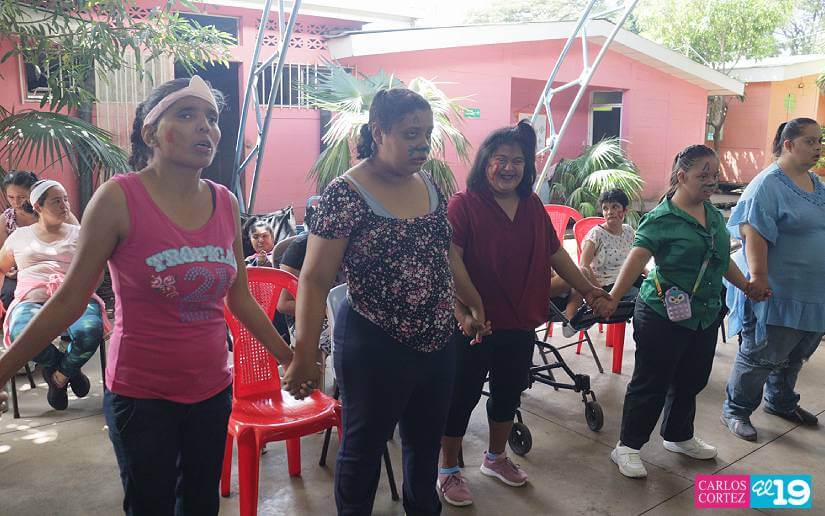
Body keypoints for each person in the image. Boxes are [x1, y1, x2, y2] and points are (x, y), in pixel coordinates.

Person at [0, 75, 293, 515]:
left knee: (200, 505)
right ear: (150, 132)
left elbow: (240, 299)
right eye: (187, 115)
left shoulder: (225, 202)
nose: (206, 127)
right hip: (142, 398)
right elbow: (70, 300)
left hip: (212, 391)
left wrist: (290, 357)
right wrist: (3, 369)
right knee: (150, 505)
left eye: (212, 117)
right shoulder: (119, 199)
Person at [284, 88, 456, 515]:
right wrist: (304, 354)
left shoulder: (429, 183)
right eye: (411, 134)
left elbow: (445, 255)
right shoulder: (346, 193)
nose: (422, 144)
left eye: (428, 133)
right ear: (379, 133)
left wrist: (469, 304)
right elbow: (314, 278)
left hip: (438, 341)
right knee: (363, 451)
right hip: (375, 342)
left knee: (425, 446)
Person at [437, 121, 611, 507]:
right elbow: (450, 264)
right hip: (475, 324)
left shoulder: (531, 205)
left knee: (508, 393)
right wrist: (463, 311)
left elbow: (555, 253)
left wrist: (587, 289)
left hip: (519, 321)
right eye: (500, 159)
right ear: (485, 162)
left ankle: (495, 458)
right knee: (461, 396)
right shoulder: (463, 205)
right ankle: (447, 470)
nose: (509, 167)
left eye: (517, 161)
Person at [603, 144, 768, 479]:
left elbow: (720, 260)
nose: (711, 181)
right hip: (661, 314)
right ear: (681, 176)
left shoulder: (712, 215)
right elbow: (636, 259)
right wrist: (613, 297)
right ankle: (627, 446)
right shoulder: (662, 218)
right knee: (651, 382)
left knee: (692, 379)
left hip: (704, 314)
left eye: (715, 174)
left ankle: (678, 436)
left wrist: (746, 286)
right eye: (703, 175)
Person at [721, 118, 825, 441]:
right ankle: (736, 410)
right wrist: (759, 278)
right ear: (789, 144)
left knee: (795, 353)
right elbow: (752, 231)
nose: (818, 148)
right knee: (761, 355)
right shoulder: (767, 184)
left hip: (810, 290)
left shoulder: (815, 183)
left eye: (819, 141)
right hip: (776, 290)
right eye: (810, 141)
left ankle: (779, 400)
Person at [0, 180, 105, 410]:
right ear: (38, 206)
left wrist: (87, 291)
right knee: (21, 334)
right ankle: (69, 371)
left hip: (74, 297)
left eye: (65, 199)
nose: (64, 205)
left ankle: (58, 378)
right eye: (56, 201)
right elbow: (2, 266)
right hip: (30, 299)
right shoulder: (20, 236)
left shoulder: (81, 234)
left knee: (89, 333)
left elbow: (98, 269)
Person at [560, 188, 644, 337]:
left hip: (628, 279)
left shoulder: (629, 231)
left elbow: (635, 260)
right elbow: (584, 265)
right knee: (641, 301)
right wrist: (597, 291)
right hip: (607, 285)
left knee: (652, 293)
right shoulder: (596, 234)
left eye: (615, 207)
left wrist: (649, 275)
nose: (609, 212)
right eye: (605, 208)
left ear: (625, 210)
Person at [0, 170, 79, 309]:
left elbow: (78, 241)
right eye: (11, 197)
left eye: (22, 197)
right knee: (8, 293)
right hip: (21, 272)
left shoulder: (58, 213)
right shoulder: (6, 220)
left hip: (59, 272)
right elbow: (3, 258)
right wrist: (10, 271)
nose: (16, 202)